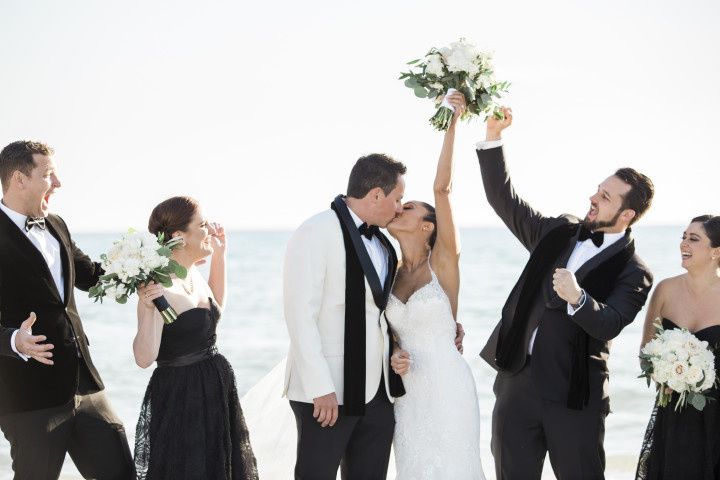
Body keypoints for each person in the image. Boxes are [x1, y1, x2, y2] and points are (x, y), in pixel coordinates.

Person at [477, 109, 654, 479]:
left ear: (627, 215)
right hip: (517, 386)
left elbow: (610, 323)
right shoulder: (557, 232)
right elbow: (504, 201)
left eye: (605, 197)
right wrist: (494, 136)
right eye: (597, 189)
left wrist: (579, 298)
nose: (593, 197)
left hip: (576, 399)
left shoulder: (634, 272)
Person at [0, 140, 134, 479]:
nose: (57, 184)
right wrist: (14, 340)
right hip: (28, 397)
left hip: (85, 384)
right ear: (19, 179)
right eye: (48, 175)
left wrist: (143, 267)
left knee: (120, 473)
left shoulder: (57, 224)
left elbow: (90, 276)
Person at [282, 153, 408, 479]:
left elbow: (379, 313)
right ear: (377, 194)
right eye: (398, 198)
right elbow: (300, 315)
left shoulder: (384, 244)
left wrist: (395, 348)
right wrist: (320, 388)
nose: (399, 208)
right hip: (328, 393)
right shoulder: (315, 231)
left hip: (379, 392)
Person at [386, 91, 485, 479]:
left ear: (427, 226)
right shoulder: (388, 272)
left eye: (408, 207)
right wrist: (395, 351)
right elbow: (384, 327)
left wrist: (453, 121)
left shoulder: (443, 263)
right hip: (409, 396)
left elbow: (441, 189)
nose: (399, 208)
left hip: (447, 388)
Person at [134, 196, 257, 480]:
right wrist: (149, 308)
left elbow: (213, 315)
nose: (210, 229)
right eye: (202, 224)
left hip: (214, 387)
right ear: (179, 236)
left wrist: (220, 257)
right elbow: (143, 358)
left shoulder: (192, 273)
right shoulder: (156, 287)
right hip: (181, 396)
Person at [636, 215, 720, 479]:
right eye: (683, 237)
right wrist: (664, 372)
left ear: (716, 252)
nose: (684, 243)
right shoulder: (665, 291)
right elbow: (645, 351)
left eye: (693, 239)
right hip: (674, 414)